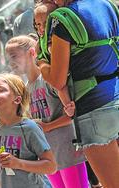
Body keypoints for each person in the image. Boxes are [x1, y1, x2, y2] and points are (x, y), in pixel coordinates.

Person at [38, 0, 119, 187]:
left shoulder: (61, 18)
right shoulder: (109, 5)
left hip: (93, 111)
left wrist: (41, 63)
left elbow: (57, 80)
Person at [6, 35, 88, 188]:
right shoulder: (25, 89)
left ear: (32, 53)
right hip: (48, 159)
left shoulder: (49, 79)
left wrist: (48, 126)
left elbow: (73, 114)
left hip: (67, 152)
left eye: (14, 56)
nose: (11, 62)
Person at [0, 73, 56, 188]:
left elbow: (51, 166)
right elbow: (0, 170)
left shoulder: (29, 128)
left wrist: (18, 163)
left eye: (1, 90)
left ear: (17, 99)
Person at [34, 1, 75, 117]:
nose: (41, 28)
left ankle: (68, 106)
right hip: (55, 75)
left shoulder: (53, 39)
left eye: (45, 23)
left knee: (61, 87)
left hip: (60, 74)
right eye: (38, 24)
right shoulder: (41, 40)